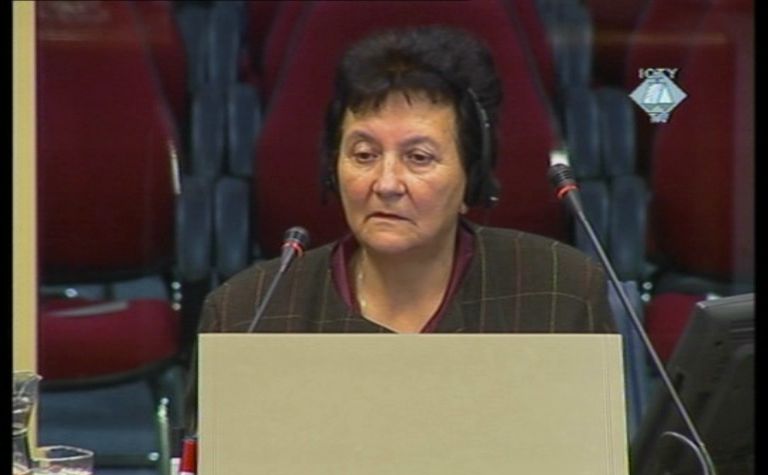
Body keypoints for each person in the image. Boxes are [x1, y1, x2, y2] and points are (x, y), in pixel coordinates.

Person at [184, 25, 616, 431]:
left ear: (472, 179)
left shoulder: (559, 294)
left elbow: (596, 470)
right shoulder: (248, 314)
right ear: (333, 168)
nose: (386, 184)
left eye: (418, 157)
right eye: (364, 155)